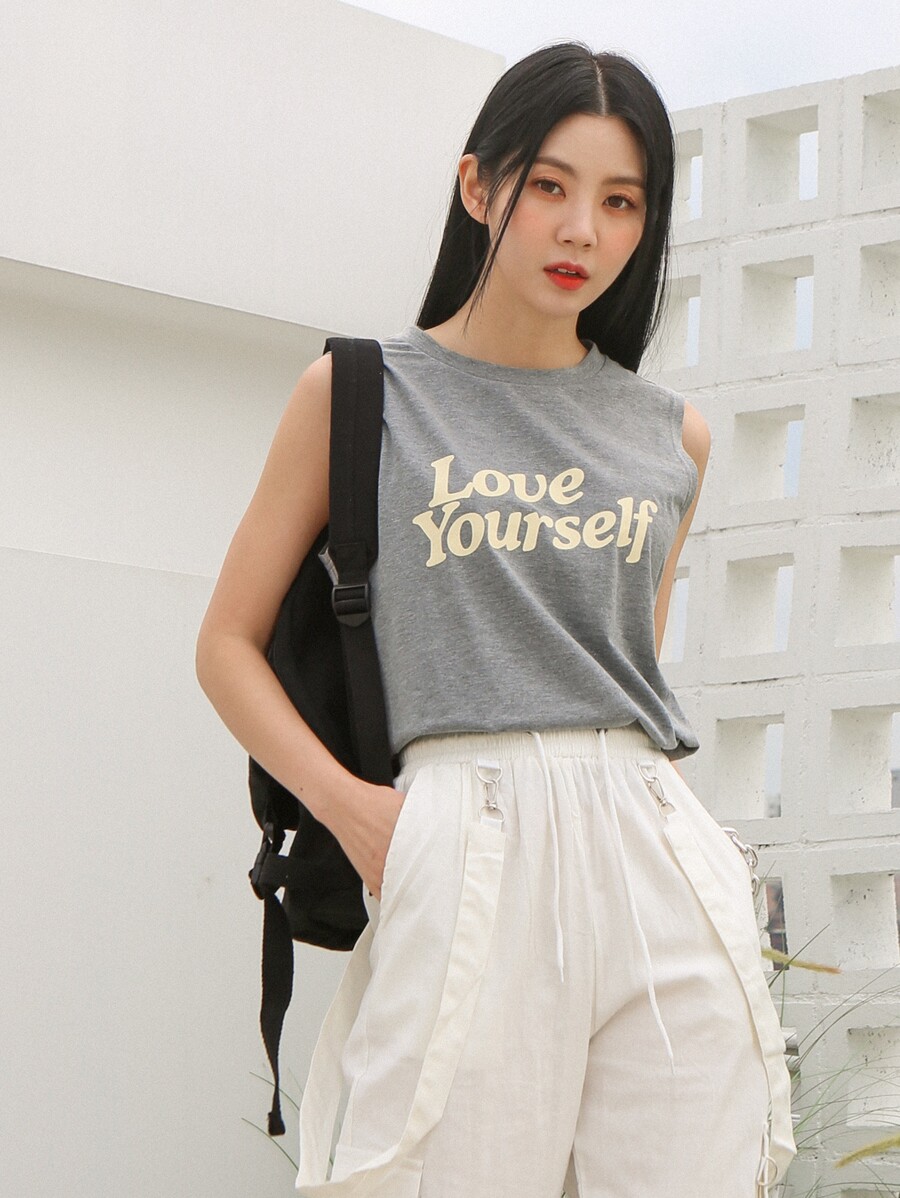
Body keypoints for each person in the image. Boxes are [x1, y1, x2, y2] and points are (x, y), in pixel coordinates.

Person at [195, 41, 796, 1198]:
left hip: (648, 838)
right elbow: (225, 643)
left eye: (620, 202)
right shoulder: (361, 393)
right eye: (551, 186)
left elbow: (632, 666)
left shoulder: (671, 434)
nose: (581, 229)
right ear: (479, 186)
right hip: (462, 830)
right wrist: (359, 813)